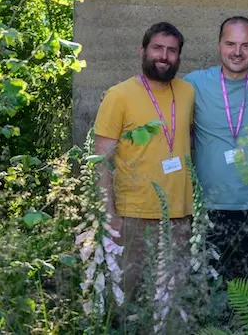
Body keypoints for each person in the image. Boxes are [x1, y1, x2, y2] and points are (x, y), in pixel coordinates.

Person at [93, 22, 195, 300]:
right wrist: (109, 216)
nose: (164, 56)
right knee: (125, 299)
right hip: (132, 217)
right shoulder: (118, 96)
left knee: (172, 301)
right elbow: (100, 162)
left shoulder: (187, 92)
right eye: (157, 48)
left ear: (179, 56)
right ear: (143, 51)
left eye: (172, 50)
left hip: (178, 217)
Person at [184, 16, 248, 281]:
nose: (237, 52)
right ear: (219, 44)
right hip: (210, 207)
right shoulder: (195, 84)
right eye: (230, 44)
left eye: (246, 45)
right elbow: (162, 105)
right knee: (212, 290)